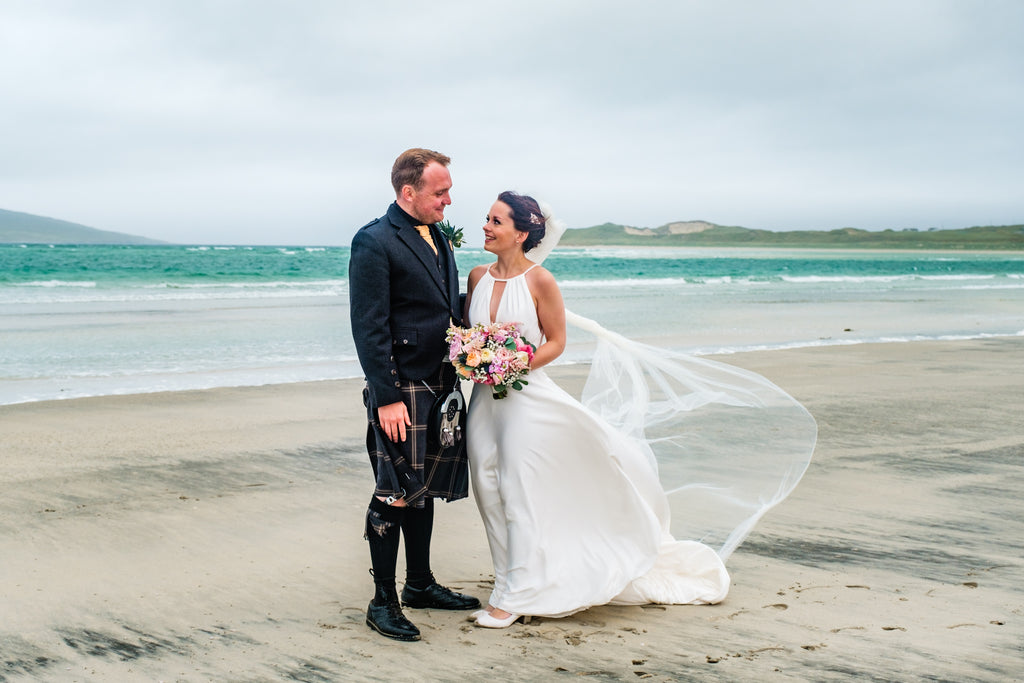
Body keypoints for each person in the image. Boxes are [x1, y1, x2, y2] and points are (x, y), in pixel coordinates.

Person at [462, 191, 815, 628]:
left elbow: (556, 342)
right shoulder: (477, 277)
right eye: (487, 218)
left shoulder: (541, 281)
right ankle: (508, 581)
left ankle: (515, 596)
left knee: (518, 491)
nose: (486, 227)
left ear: (520, 233)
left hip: (525, 398)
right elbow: (469, 335)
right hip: (483, 401)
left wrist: (514, 364)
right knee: (487, 487)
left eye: (496, 221)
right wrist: (472, 358)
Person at [348, 148, 480, 642]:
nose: (449, 200)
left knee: (420, 490)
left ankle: (419, 585)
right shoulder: (374, 242)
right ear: (409, 193)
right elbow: (369, 326)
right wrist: (385, 397)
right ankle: (382, 601)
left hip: (440, 380)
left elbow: (441, 304)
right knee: (394, 491)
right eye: (440, 192)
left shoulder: (438, 236)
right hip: (400, 389)